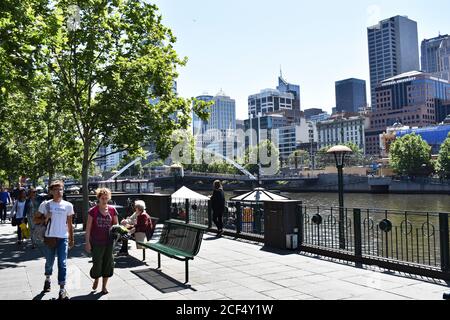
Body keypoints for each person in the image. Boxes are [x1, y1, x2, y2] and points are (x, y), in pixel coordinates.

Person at [38, 180, 75, 300]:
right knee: (49, 262)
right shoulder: (46, 204)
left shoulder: (68, 205)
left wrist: (71, 239)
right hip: (50, 238)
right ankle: (48, 279)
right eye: (56, 190)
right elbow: (35, 220)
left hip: (63, 238)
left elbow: (70, 224)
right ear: (51, 192)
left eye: (61, 189)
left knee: (62, 264)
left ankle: (62, 289)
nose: (59, 192)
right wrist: (45, 217)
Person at [85, 188, 118, 295]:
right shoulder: (92, 211)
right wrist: (87, 243)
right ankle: (96, 278)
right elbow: (88, 228)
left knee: (108, 264)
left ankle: (104, 287)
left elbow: (116, 226)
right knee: (97, 263)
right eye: (102, 198)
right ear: (98, 198)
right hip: (96, 242)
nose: (104, 200)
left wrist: (122, 227)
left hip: (109, 242)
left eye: (106, 198)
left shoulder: (113, 210)